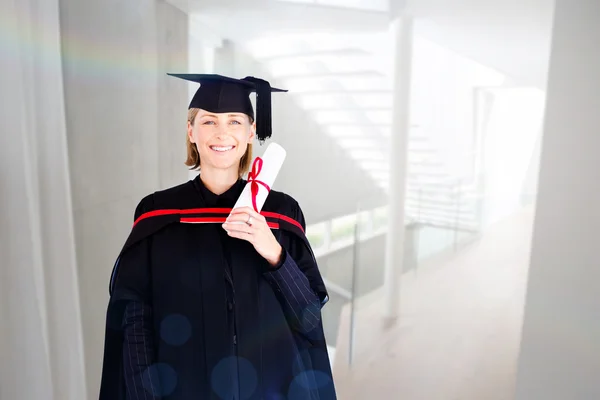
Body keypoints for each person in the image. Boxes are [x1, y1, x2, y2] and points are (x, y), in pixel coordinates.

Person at [98, 74, 337, 400]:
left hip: (272, 388)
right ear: (191, 131)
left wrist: (274, 254)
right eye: (208, 121)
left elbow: (308, 315)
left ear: (251, 131)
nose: (222, 132)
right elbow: (135, 318)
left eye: (234, 121)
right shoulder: (158, 213)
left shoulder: (281, 212)